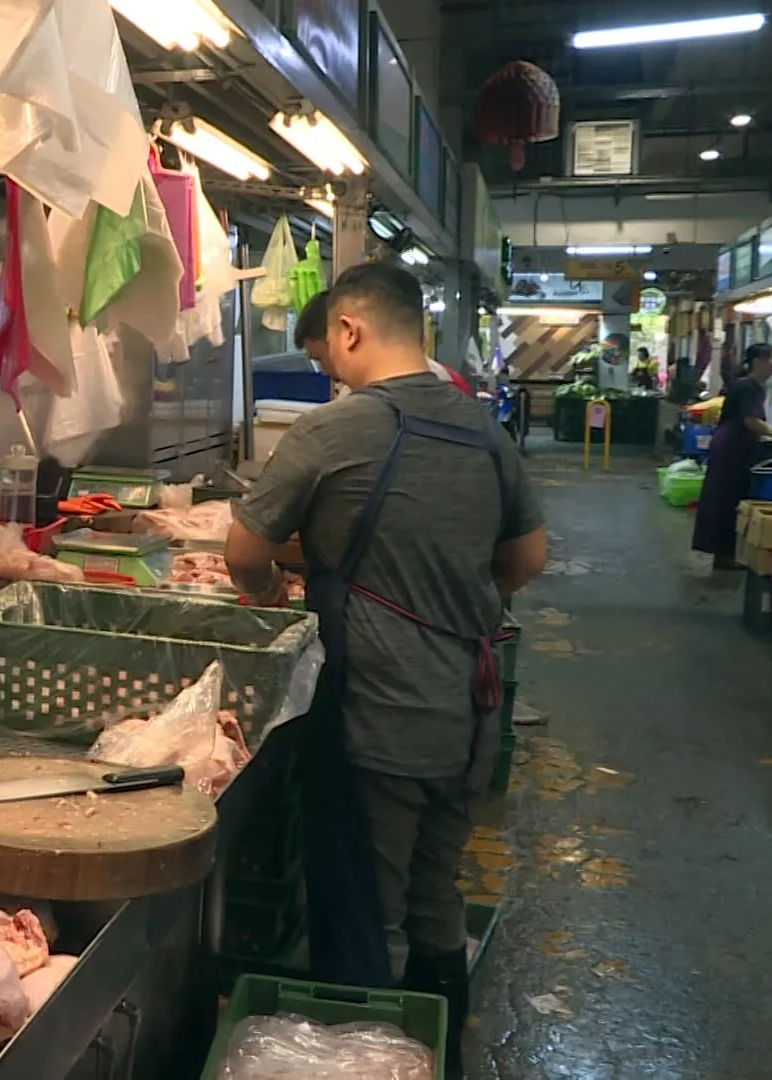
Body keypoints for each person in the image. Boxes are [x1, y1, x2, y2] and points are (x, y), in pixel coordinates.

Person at [227, 264, 548, 1070]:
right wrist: (447, 603)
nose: (328, 366)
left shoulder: (335, 430)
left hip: (375, 716)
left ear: (350, 330)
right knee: (437, 902)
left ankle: (368, 1061)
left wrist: (270, 589)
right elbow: (526, 559)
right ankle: (442, 1055)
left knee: (365, 916)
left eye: (329, 348)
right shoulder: (484, 430)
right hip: (468, 713)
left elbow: (243, 551)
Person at [692, 342, 772, 569]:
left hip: (730, 443)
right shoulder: (750, 386)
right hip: (732, 446)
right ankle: (724, 555)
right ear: (759, 362)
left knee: (724, 497)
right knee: (727, 499)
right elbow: (750, 420)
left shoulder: (746, 384)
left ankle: (723, 554)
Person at [294, 290, 473, 395]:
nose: (324, 371)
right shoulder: (447, 383)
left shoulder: (441, 387)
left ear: (349, 333)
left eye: (321, 359)